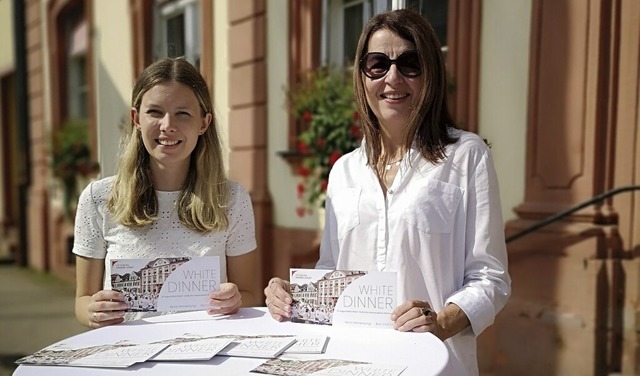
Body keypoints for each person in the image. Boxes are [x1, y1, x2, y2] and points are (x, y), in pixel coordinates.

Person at [264, 9, 510, 376]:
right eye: (377, 64)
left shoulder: (466, 155)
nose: (392, 77)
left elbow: (490, 278)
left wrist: (440, 323)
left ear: (431, 74)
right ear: (362, 76)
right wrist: (294, 296)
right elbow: (332, 271)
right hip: (352, 363)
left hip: (435, 365)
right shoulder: (344, 170)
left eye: (410, 63)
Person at [73, 57, 260, 328]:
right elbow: (82, 301)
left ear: (203, 123)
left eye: (183, 113)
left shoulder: (232, 199)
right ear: (136, 118)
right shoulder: (98, 199)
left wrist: (235, 301)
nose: (168, 125)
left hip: (205, 356)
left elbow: (250, 294)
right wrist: (92, 311)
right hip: (125, 357)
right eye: (155, 112)